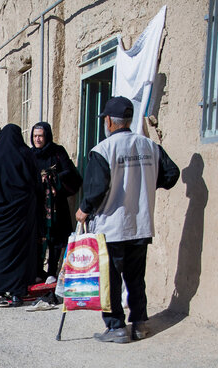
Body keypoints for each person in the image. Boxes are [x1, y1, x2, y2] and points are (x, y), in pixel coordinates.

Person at [75, 96, 179, 343]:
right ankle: (140, 323)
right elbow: (172, 174)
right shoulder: (149, 146)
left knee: (110, 280)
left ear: (109, 121)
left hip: (112, 227)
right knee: (136, 278)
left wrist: (84, 209)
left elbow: (96, 189)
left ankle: (116, 327)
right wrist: (144, 183)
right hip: (140, 225)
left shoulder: (103, 150)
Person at [0, 124, 42, 307]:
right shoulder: (26, 155)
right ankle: (17, 294)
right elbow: (36, 183)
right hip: (21, 214)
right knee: (19, 253)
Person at [31, 121, 82, 279]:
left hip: (56, 204)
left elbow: (69, 171)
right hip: (37, 205)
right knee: (38, 238)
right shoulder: (29, 154)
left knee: (56, 238)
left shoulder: (57, 152)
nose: (37, 139)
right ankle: (38, 271)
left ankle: (52, 271)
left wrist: (52, 177)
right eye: (35, 136)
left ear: (47, 136)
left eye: (41, 136)